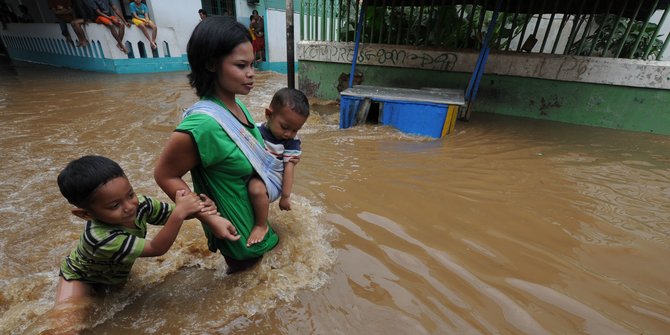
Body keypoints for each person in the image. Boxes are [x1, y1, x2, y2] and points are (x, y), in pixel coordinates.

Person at [154, 16, 280, 273]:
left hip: (258, 229)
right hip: (239, 242)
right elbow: (164, 175)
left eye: (252, 65)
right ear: (212, 65)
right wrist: (210, 218)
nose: (251, 74)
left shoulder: (237, 106)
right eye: (241, 65)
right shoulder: (204, 126)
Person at [54, 155, 227, 310]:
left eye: (130, 195)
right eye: (115, 206)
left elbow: (174, 214)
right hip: (81, 278)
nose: (129, 207)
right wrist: (181, 212)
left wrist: (200, 208)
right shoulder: (100, 238)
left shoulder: (142, 205)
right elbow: (156, 248)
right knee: (67, 324)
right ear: (86, 214)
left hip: (113, 274)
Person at [247, 88, 309, 246]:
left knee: (256, 189)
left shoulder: (291, 142)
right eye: (285, 127)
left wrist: (286, 196)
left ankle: (261, 226)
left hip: (274, 180)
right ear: (269, 114)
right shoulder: (254, 130)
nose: (289, 134)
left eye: (295, 130)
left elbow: (289, 168)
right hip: (258, 171)